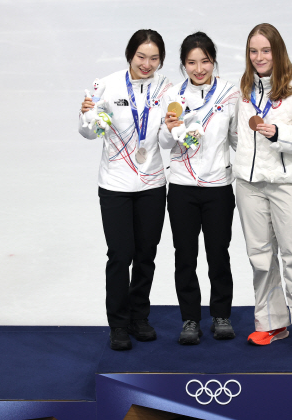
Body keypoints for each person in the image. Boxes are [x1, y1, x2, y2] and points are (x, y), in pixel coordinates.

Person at [233, 23, 292, 350]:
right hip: (249, 185)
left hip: (286, 186)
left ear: (278, 52)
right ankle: (271, 323)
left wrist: (279, 133)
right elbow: (236, 135)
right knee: (260, 258)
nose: (259, 57)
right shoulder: (244, 91)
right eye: (253, 51)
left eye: (266, 50)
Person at [78, 29, 172, 351]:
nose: (147, 64)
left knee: (146, 254)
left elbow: (166, 141)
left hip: (152, 183)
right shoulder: (107, 86)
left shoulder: (166, 89)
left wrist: (174, 129)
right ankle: (118, 324)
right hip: (115, 185)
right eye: (141, 56)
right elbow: (89, 133)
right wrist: (87, 116)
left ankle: (138, 317)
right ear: (130, 55)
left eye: (154, 58)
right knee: (120, 255)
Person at [160, 32, 239, 345]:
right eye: (191, 62)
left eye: (204, 61)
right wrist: (169, 129)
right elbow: (164, 142)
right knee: (185, 256)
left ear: (213, 60)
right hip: (182, 187)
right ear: (183, 64)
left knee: (218, 254)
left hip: (218, 187)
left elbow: (236, 138)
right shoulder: (173, 96)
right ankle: (190, 319)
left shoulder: (229, 94)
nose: (199, 68)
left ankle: (221, 315)